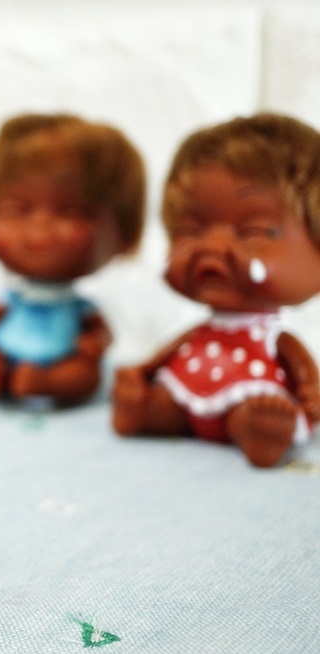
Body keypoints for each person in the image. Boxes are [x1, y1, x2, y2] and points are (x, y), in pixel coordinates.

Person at [111, 113, 320, 467]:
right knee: (164, 403)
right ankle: (144, 411)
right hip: (187, 389)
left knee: (249, 413)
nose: (212, 247)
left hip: (250, 393)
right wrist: (143, 371)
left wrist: (311, 388)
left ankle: (260, 430)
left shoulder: (275, 339)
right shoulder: (201, 334)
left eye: (253, 232)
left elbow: (298, 363)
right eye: (191, 231)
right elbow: (174, 348)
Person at [0, 113, 146, 405]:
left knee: (86, 375)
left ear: (124, 232)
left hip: (62, 358)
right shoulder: (12, 298)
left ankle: (45, 383)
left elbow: (100, 332)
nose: (39, 233)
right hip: (4, 350)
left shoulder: (83, 309)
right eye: (17, 210)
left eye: (70, 212)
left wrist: (96, 342)